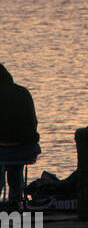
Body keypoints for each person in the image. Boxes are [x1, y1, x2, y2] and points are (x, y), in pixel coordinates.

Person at [0, 63, 40, 210]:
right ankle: (16, 198)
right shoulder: (23, 92)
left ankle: (13, 199)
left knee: (6, 154)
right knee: (13, 162)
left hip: (8, 149)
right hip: (26, 149)